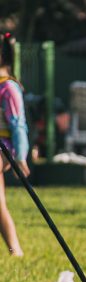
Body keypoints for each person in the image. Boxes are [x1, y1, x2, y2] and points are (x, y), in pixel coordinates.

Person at [0, 33, 28, 257]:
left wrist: (20, 157)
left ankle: (15, 250)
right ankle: (15, 250)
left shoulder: (8, 88)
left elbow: (18, 124)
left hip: (3, 149)